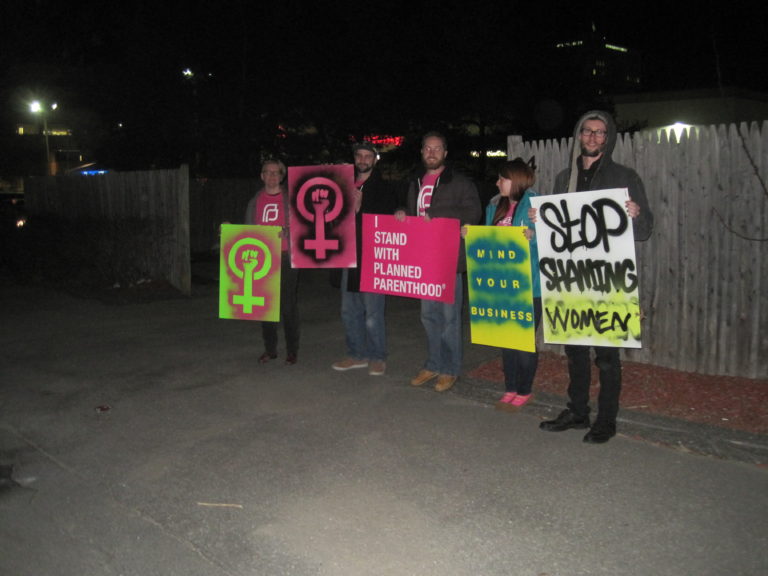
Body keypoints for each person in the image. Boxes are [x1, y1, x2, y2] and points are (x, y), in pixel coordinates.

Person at [536, 110, 653, 443]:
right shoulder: (564, 178)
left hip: (606, 278)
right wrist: (540, 220)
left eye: (600, 132)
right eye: (587, 131)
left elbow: (645, 230)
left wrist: (636, 214)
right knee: (575, 351)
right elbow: (558, 229)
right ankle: (577, 412)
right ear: (579, 135)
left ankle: (606, 420)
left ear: (608, 138)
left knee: (606, 356)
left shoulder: (624, 176)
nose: (592, 137)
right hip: (572, 277)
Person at [396, 131, 482, 392]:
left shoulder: (459, 182)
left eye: (437, 148)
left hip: (448, 261)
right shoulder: (415, 182)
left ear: (445, 153)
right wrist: (402, 213)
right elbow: (415, 215)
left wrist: (436, 213)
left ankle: (450, 369)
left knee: (449, 318)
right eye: (427, 148)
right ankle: (433, 363)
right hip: (424, 261)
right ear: (421, 152)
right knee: (428, 316)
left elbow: (473, 212)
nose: (431, 153)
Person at [332, 142, 399, 376]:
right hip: (347, 255)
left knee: (373, 312)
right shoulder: (342, 185)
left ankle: (377, 356)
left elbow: (389, 221)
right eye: (359, 155)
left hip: (372, 258)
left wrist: (361, 208)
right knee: (348, 310)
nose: (362, 160)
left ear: (375, 159)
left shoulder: (384, 188)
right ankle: (356, 354)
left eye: (367, 156)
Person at [482, 158, 542, 411]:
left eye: (502, 179)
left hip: (529, 286)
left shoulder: (537, 205)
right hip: (503, 284)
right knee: (506, 339)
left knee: (523, 342)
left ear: (515, 180)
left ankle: (525, 389)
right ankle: (510, 387)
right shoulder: (494, 205)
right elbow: (488, 240)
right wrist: (472, 236)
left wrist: (534, 236)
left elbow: (555, 242)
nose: (497, 183)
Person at [244, 159, 300, 365]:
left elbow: (304, 226)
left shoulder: (292, 199)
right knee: (266, 307)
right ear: (262, 176)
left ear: (282, 177)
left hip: (286, 256)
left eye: (276, 172)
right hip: (263, 258)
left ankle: (292, 350)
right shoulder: (254, 201)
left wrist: (288, 231)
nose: (272, 176)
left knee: (288, 307)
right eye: (267, 172)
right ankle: (270, 349)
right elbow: (247, 231)